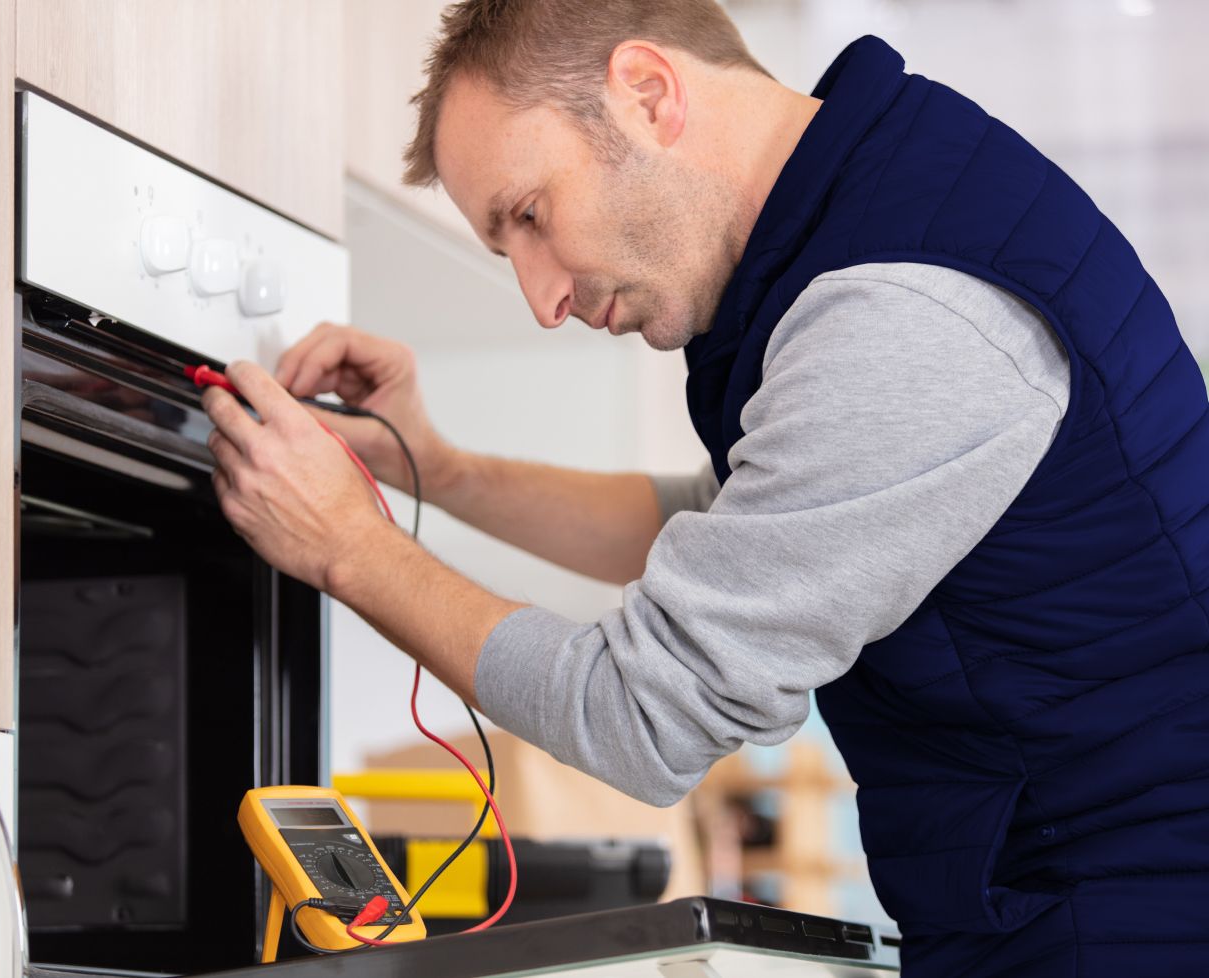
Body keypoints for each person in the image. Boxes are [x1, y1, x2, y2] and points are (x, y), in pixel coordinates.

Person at [200, 2, 1209, 975]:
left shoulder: (899, 311)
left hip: (1119, 921)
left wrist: (348, 550)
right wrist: (435, 466)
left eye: (532, 215)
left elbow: (644, 716)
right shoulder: (879, 213)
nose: (542, 298)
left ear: (646, 92)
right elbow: (725, 528)